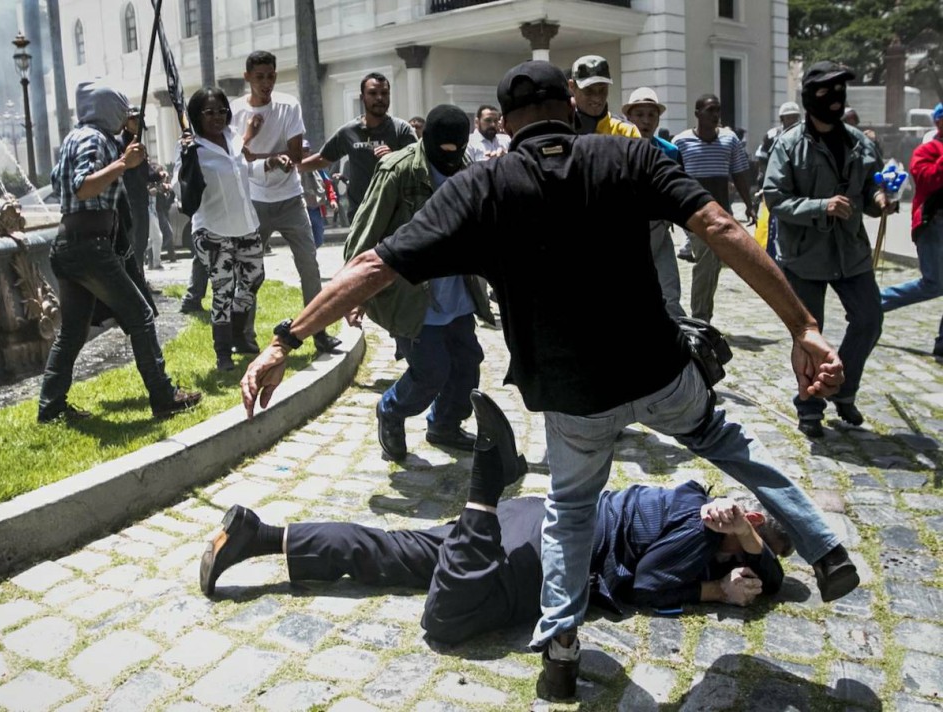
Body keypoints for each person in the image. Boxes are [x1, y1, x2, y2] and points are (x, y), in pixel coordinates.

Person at [238, 60, 858, 701]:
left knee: (569, 514)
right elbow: (723, 229)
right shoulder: (629, 158)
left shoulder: (480, 188)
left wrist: (285, 341)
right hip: (660, 372)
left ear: (505, 124)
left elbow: (373, 264)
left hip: (572, 399)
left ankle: (561, 649)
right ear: (570, 102)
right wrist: (803, 326)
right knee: (729, 442)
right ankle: (824, 549)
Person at [200, 392, 790, 650]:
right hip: (541, 554)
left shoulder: (703, 514)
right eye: (752, 515)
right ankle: (484, 485)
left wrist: (738, 552)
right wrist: (715, 588)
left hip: (531, 520)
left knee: (395, 556)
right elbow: (650, 585)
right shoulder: (697, 527)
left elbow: (764, 568)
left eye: (754, 522)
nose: (743, 512)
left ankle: (259, 535)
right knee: (446, 621)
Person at [38, 80, 202, 422]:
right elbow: (82, 187)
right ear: (108, 109)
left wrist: (123, 159)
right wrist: (122, 165)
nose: (125, 115)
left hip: (67, 244)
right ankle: (163, 395)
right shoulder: (94, 139)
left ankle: (50, 407)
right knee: (140, 316)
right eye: (121, 107)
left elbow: (58, 184)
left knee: (71, 332)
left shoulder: (72, 137)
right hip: (90, 246)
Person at [342, 104, 494, 461]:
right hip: (415, 297)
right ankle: (391, 410)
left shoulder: (468, 170)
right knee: (430, 371)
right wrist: (355, 294)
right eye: (442, 153)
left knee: (466, 364)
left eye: (456, 153)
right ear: (426, 140)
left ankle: (444, 423)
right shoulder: (398, 171)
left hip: (457, 294)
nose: (450, 160)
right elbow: (363, 235)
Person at [764, 61, 894, 438]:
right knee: (809, 335)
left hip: (851, 252)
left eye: (839, 92)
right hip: (804, 256)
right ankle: (809, 405)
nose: (833, 100)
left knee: (869, 320)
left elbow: (872, 185)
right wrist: (822, 206)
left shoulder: (859, 141)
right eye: (824, 92)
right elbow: (776, 198)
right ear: (808, 98)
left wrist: (880, 199)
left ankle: (843, 388)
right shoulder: (788, 145)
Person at [230, 51, 341, 355]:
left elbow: (296, 156)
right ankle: (244, 337)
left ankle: (319, 332)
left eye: (270, 76)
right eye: (259, 76)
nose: (265, 82)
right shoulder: (235, 110)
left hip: (291, 198)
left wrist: (256, 157)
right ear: (247, 78)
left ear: (275, 76)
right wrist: (264, 159)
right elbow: (234, 157)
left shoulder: (288, 105)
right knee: (249, 271)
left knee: (309, 265)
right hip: (254, 201)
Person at [175, 87, 267, 372]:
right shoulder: (193, 149)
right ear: (196, 116)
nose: (218, 117)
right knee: (223, 289)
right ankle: (223, 353)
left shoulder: (234, 138)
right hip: (212, 230)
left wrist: (270, 164)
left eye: (222, 110)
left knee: (253, 278)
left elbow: (243, 172)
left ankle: (238, 333)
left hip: (246, 225)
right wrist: (187, 158)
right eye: (209, 112)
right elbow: (184, 189)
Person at [673, 94, 757, 324]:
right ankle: (700, 319)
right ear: (697, 113)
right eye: (710, 110)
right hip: (693, 213)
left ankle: (702, 314)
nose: (715, 115)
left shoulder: (730, 141)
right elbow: (673, 177)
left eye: (718, 110)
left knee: (712, 263)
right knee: (708, 258)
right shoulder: (681, 142)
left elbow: (740, 174)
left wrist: (750, 206)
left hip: (721, 213)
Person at [298, 72, 418, 221]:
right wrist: (294, 167)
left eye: (384, 93)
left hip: (397, 212)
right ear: (362, 98)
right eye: (373, 93)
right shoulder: (348, 132)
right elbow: (323, 158)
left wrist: (395, 157)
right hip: (361, 213)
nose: (379, 98)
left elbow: (418, 165)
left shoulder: (402, 129)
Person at [880, 102, 943, 358]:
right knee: (934, 283)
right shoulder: (927, 150)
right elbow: (928, 180)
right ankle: (876, 300)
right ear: (939, 122)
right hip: (934, 225)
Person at [623, 87, 686, 318]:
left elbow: (680, 191)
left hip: (659, 230)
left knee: (669, 296)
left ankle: (679, 348)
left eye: (651, 115)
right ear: (629, 117)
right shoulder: (614, 148)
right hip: (625, 233)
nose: (646, 121)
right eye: (639, 114)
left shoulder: (670, 151)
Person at [119, 110, 160, 269]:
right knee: (134, 242)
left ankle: (141, 278)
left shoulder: (139, 146)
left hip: (141, 199)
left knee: (142, 241)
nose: (137, 125)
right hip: (129, 201)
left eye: (139, 121)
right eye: (134, 121)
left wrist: (157, 175)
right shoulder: (122, 145)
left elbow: (144, 172)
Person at [567, 55, 639, 138]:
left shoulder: (626, 131)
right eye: (588, 90)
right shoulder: (563, 130)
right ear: (572, 86)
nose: (596, 98)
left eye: (602, 90)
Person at [754, 102, 802, 195]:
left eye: (794, 117)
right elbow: (763, 160)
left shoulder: (805, 135)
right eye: (788, 118)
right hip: (777, 178)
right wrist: (764, 182)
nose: (792, 121)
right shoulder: (772, 135)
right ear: (782, 119)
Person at [299, 139, 337, 248]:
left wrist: (332, 199)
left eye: (306, 150)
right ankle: (305, 255)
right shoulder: (293, 168)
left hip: (315, 207)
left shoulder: (317, 168)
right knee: (304, 234)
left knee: (319, 238)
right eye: (301, 151)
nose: (304, 153)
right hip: (300, 207)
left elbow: (327, 184)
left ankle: (308, 253)